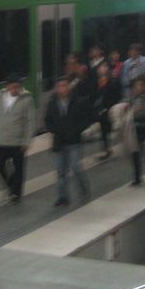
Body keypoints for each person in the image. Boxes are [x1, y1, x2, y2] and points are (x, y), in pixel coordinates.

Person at [0, 74, 36, 204]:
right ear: (6, 87)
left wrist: (27, 141)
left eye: (17, 87)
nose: (15, 90)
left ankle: (16, 194)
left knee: (18, 168)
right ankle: (11, 183)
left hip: (18, 141)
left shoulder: (26, 99)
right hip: (3, 139)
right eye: (12, 87)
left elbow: (30, 121)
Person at [44, 78, 94, 207]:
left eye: (65, 86)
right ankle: (63, 197)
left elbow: (86, 118)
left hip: (74, 141)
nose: (62, 89)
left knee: (75, 166)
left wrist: (76, 130)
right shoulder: (52, 103)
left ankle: (84, 188)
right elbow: (47, 120)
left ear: (69, 87)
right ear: (56, 88)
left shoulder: (77, 101)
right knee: (61, 171)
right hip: (59, 142)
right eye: (60, 86)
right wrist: (53, 129)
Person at [90, 62, 122, 161]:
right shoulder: (97, 82)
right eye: (100, 67)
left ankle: (109, 149)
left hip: (111, 108)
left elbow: (117, 94)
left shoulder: (113, 81)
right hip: (102, 110)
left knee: (110, 129)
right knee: (104, 130)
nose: (101, 69)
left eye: (104, 67)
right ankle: (107, 150)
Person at [128, 75, 145, 185]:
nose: (136, 88)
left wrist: (140, 111)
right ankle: (137, 177)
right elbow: (127, 112)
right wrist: (133, 111)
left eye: (139, 85)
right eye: (135, 86)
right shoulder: (132, 99)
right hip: (136, 129)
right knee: (135, 154)